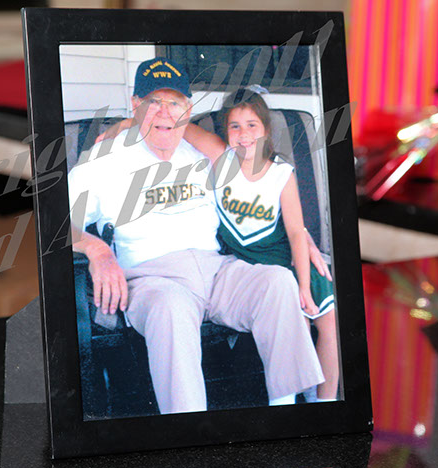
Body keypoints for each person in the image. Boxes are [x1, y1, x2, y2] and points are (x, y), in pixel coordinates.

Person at [68, 57, 324, 415]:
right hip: (154, 279)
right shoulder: (105, 159)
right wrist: (97, 250)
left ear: (188, 110)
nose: (164, 112)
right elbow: (55, 220)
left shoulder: (201, 154)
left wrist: (301, 235)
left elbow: (258, 196)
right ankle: (189, 428)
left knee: (277, 282)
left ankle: (286, 412)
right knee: (170, 309)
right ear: (135, 104)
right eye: (153, 102)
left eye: (174, 103)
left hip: (217, 272)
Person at [173, 86, 340, 402]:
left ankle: (325, 402)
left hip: (288, 259)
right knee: (297, 322)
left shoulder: (281, 174)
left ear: (266, 130)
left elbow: (295, 232)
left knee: (329, 323)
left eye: (252, 125)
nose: (244, 134)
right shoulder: (221, 158)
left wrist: (305, 286)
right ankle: (300, 396)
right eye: (235, 126)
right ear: (225, 131)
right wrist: (128, 123)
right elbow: (183, 126)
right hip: (249, 267)